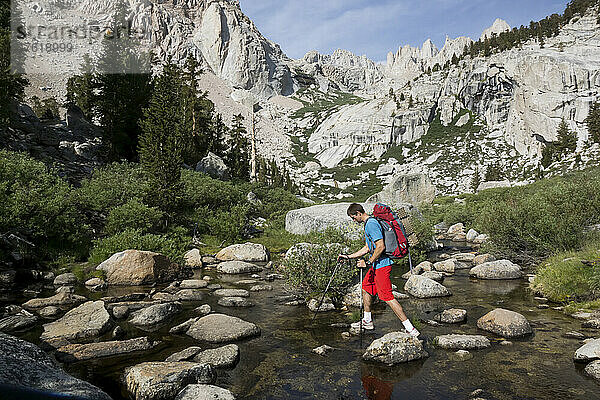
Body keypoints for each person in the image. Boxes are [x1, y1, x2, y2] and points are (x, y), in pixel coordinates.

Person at [339, 203, 420, 337]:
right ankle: (367, 320)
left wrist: (368, 262)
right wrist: (348, 256)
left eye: (353, 217)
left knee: (387, 297)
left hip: (382, 266)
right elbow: (367, 248)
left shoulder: (371, 224)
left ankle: (410, 329)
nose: (353, 220)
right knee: (366, 287)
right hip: (376, 265)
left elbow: (380, 246)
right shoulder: (368, 224)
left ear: (359, 213)